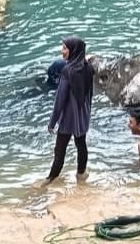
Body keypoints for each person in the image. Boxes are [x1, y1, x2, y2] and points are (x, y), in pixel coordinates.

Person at [46, 36, 95, 184]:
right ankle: (81, 175)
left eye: (65, 48)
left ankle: (51, 178)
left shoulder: (67, 71)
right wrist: (86, 114)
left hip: (68, 118)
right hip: (82, 116)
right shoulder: (89, 69)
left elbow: (59, 100)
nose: (62, 51)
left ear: (73, 51)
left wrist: (52, 122)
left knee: (60, 149)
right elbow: (90, 95)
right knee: (81, 145)